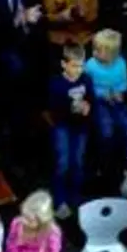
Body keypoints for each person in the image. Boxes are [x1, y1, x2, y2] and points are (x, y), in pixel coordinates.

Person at [47, 43, 93, 220]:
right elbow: (54, 110)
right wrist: (72, 107)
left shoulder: (86, 79)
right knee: (63, 162)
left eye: (81, 65)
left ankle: (76, 197)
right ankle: (59, 200)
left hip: (81, 127)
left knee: (78, 162)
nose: (79, 69)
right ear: (64, 64)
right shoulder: (56, 84)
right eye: (75, 65)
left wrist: (88, 108)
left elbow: (92, 100)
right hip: (63, 127)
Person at [84, 28, 127, 179]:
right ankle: (103, 164)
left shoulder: (121, 64)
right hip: (100, 102)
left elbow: (124, 83)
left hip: (117, 100)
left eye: (98, 50)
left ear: (111, 53)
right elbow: (87, 88)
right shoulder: (90, 65)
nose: (94, 52)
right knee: (106, 132)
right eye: (94, 48)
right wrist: (103, 94)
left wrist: (120, 93)